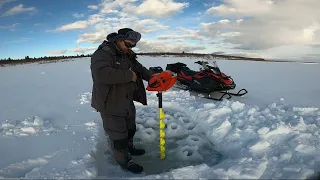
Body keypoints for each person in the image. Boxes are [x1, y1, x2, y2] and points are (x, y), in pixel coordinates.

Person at [90, 28, 154, 174]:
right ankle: (124, 161)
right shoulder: (102, 54)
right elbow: (101, 74)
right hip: (110, 103)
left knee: (130, 128)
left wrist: (153, 77)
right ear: (118, 40)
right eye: (128, 44)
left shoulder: (126, 54)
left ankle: (129, 147)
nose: (130, 48)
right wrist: (127, 76)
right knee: (118, 136)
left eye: (133, 45)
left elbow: (139, 69)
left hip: (126, 100)